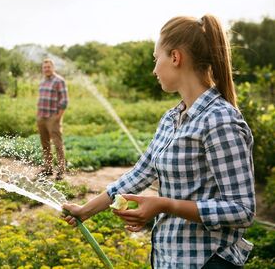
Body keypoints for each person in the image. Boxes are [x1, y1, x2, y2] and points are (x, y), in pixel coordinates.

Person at [63, 15, 255, 268]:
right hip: (168, 258)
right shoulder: (171, 118)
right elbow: (141, 173)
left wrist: (164, 204)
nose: (154, 69)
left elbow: (242, 210)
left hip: (204, 261)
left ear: (175, 57)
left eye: (157, 59)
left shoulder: (220, 121)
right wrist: (86, 210)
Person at [36, 58, 69, 180]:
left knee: (57, 143)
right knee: (45, 144)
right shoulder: (43, 81)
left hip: (52, 117)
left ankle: (61, 170)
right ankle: (48, 168)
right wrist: (38, 115)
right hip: (41, 117)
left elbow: (64, 101)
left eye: (48, 67)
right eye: (44, 67)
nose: (46, 69)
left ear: (53, 68)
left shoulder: (59, 81)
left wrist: (58, 117)